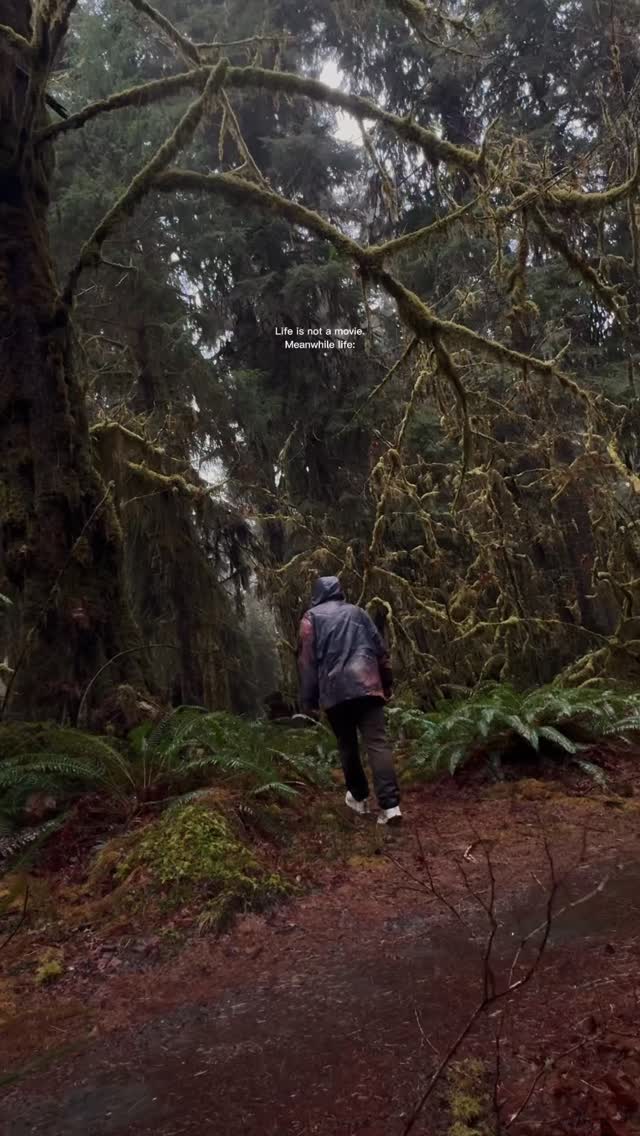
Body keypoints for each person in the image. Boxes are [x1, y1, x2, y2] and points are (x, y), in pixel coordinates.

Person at [297, 576, 402, 826]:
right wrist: (386, 683)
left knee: (347, 745)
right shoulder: (359, 613)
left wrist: (309, 701)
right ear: (338, 591)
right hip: (368, 686)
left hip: (335, 694)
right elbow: (380, 651)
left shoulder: (311, 618)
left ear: (317, 594)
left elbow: (307, 663)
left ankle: (359, 798)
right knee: (377, 743)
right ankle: (391, 807)